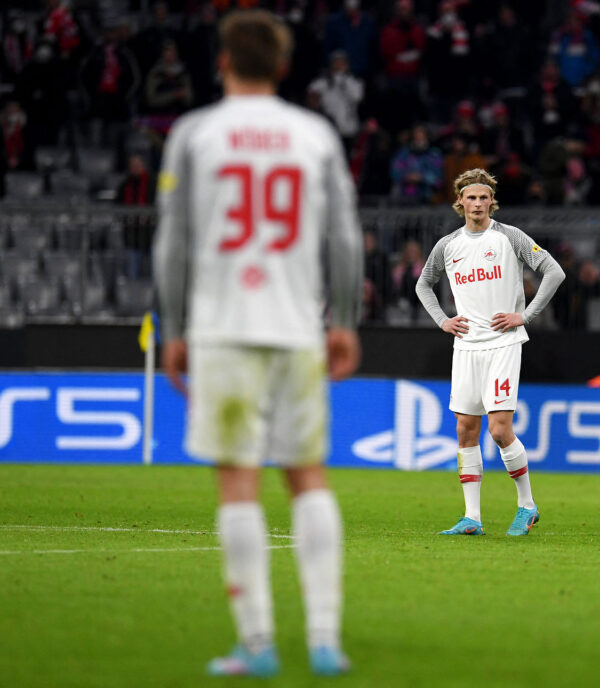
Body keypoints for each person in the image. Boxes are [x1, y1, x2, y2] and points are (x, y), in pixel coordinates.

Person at [152, 10, 363, 678]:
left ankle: (257, 643)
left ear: (221, 61)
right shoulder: (315, 134)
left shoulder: (195, 133)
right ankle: (326, 641)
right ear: (281, 67)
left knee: (238, 485)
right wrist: (345, 319)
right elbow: (346, 239)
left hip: (222, 328)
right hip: (296, 326)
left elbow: (172, 243)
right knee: (307, 476)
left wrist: (175, 329)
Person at [415, 168, 565, 536]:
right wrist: (442, 320)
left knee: (499, 431)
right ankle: (472, 517)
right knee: (465, 431)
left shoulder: (509, 237)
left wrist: (525, 315)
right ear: (460, 202)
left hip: (503, 344)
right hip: (465, 346)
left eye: (484, 198)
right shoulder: (448, 245)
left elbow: (554, 272)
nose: (478, 203)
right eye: (471, 197)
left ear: (491, 202)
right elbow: (423, 284)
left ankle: (527, 506)